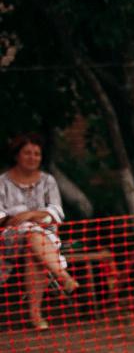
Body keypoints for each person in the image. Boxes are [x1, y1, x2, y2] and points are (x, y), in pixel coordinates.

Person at [0, 132, 78, 331]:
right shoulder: (2, 181)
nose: (33, 157)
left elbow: (55, 213)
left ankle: (35, 315)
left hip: (44, 236)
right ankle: (63, 276)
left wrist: (33, 215)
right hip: (10, 237)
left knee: (33, 250)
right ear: (17, 155)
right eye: (27, 153)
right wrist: (20, 218)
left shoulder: (48, 180)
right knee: (31, 235)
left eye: (37, 153)